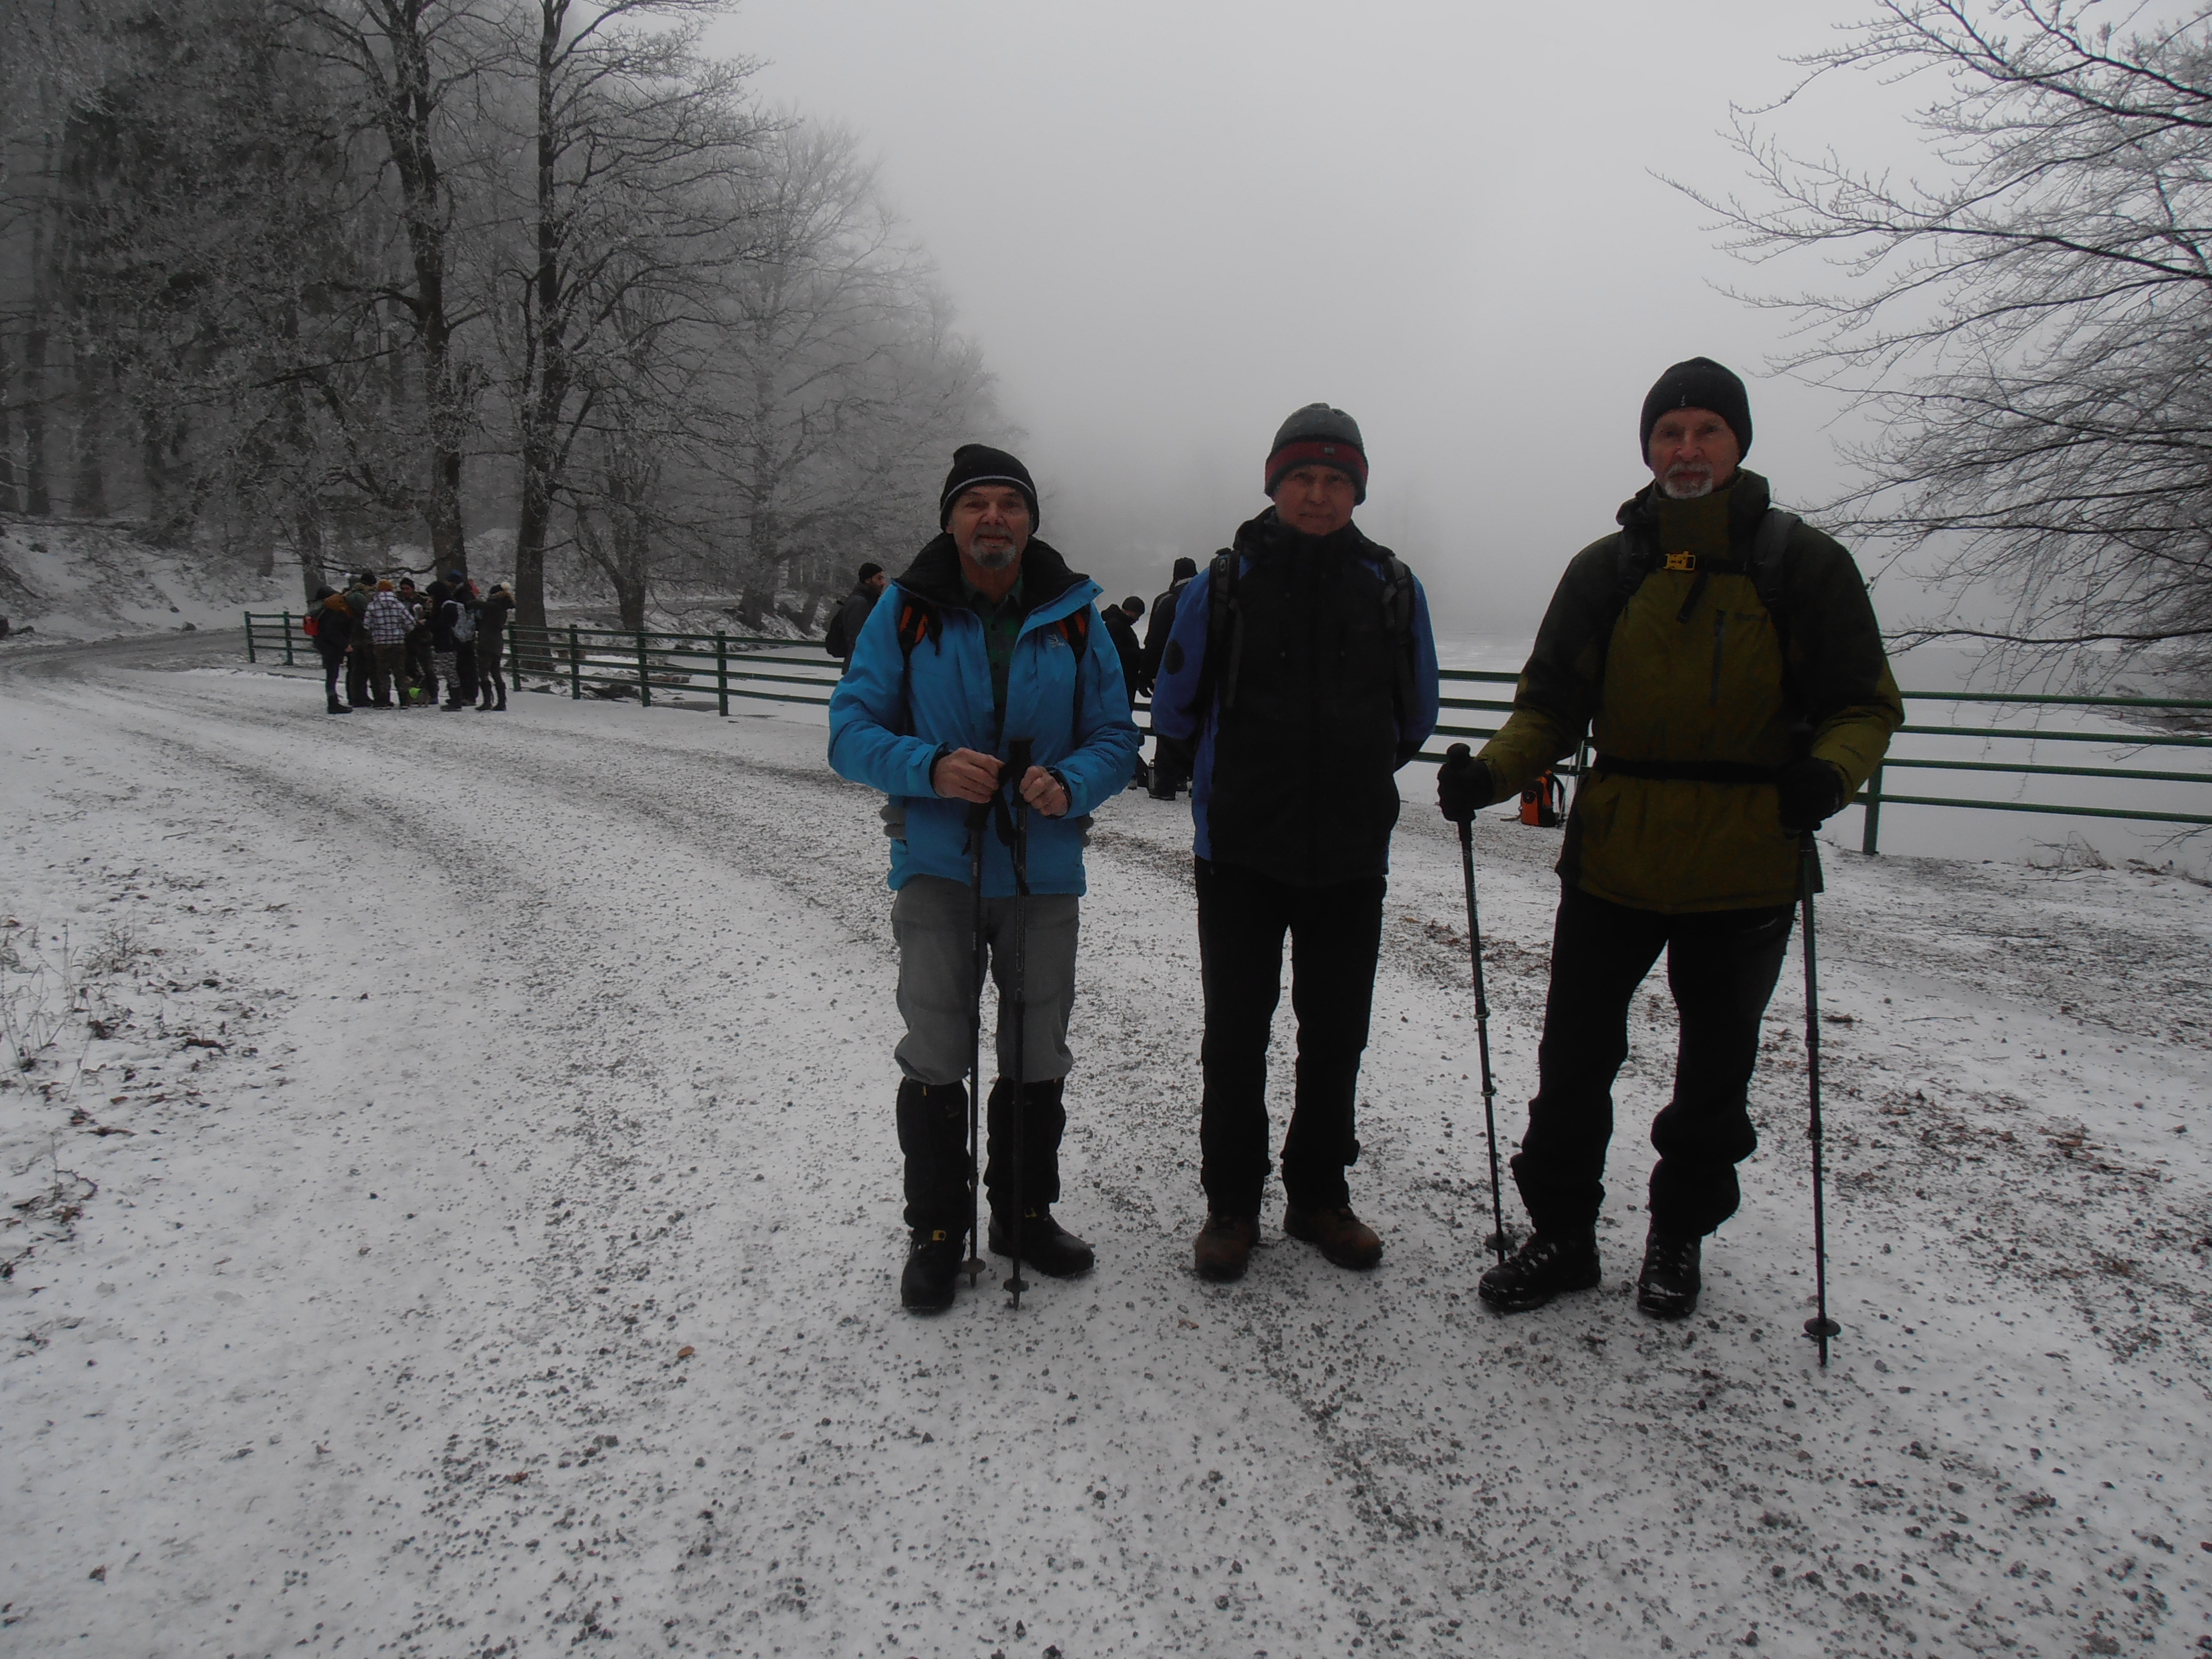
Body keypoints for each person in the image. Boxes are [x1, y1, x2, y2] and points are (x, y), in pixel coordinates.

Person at [1436, 357, 1902, 1320]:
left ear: (1736, 443)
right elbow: (1551, 709)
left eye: (1704, 431)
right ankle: (1562, 1234)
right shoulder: (1607, 572)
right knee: (1572, 1062)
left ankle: (1677, 1234)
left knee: (1713, 1075)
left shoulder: (1800, 564)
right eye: (1668, 433)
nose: (1685, 450)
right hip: (1615, 857)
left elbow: (1861, 703)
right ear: (1646, 448)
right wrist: (1493, 773)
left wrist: (1830, 770)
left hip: (1747, 862)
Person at [828, 444, 1139, 1312]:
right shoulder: (906, 610)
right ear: (951, 520)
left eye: (1010, 504)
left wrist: (1069, 781)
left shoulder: (1077, 616)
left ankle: (1023, 1213)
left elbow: (1116, 737)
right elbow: (848, 730)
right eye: (977, 505)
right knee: (935, 1049)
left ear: (1030, 520)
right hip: (938, 867)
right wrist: (927, 767)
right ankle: (936, 1230)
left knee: (1037, 1051)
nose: (994, 519)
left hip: (1042, 872)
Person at [1152, 403, 1440, 1283]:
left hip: (1349, 854)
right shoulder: (1225, 585)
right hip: (1239, 849)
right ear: (1273, 483)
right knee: (1235, 1036)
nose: (1317, 495)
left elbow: (1414, 713)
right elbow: (1172, 705)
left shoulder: (1390, 585)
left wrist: (1345, 776)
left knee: (1335, 1034)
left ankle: (1319, 1198)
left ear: (1356, 489)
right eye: (1301, 478)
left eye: (1335, 480)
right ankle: (1231, 1205)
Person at [1140, 558, 1199, 799]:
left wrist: (1147, 673)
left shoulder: (1167, 601)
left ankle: (1167, 783)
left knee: (1166, 724)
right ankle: (1191, 778)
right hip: (1203, 675)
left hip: (1170, 673)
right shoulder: (1209, 594)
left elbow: (1154, 640)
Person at [360, 579, 414, 709]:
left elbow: (366, 625)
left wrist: (377, 632)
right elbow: (411, 623)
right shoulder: (399, 605)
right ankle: (404, 700)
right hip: (398, 643)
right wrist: (401, 631)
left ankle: (385, 700)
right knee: (400, 671)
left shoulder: (373, 606)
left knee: (383, 673)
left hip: (380, 644)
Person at [825, 562, 888, 670]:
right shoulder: (860, 603)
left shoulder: (867, 601)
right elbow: (858, 639)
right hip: (860, 668)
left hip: (860, 666)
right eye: (879, 578)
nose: (883, 583)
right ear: (868, 580)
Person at [305, 584, 354, 714]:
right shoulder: (330, 612)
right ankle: (333, 704)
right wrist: (345, 645)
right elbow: (331, 631)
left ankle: (333, 701)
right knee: (332, 674)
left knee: (332, 674)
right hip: (331, 646)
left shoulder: (319, 610)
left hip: (323, 644)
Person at [398, 578, 436, 705]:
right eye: (403, 589)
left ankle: (433, 693)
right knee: (409, 668)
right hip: (406, 638)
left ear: (412, 589)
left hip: (422, 638)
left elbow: (429, 617)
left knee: (428, 668)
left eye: (407, 589)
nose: (405, 591)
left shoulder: (422, 601)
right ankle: (414, 694)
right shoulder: (398, 601)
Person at [476, 581, 513, 710]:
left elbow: (478, 605)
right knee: (496, 672)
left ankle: (488, 701)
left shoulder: (493, 606)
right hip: (497, 642)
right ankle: (502, 701)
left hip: (487, 642)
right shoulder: (503, 607)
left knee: (483, 672)